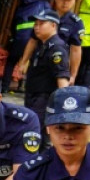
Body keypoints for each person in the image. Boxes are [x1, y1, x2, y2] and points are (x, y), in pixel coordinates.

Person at [16, 0, 85, 86]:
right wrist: (23, 62)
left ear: (75, 0)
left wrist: (73, 75)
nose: (65, 2)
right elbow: (33, 40)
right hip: (38, 64)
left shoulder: (76, 23)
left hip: (58, 67)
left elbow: (75, 50)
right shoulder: (43, 16)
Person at [23, 9, 70, 143]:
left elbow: (62, 76)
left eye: (41, 24)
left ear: (53, 25)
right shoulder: (43, 44)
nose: (37, 27)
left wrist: (63, 105)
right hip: (34, 96)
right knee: (37, 134)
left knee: (35, 133)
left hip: (44, 99)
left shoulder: (57, 48)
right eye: (36, 24)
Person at [1, 0, 51, 94]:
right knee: (34, 63)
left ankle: (4, 87)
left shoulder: (20, 7)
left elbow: (13, 25)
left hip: (18, 39)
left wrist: (14, 37)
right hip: (33, 39)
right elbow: (49, 19)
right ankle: (26, 88)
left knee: (11, 62)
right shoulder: (43, 4)